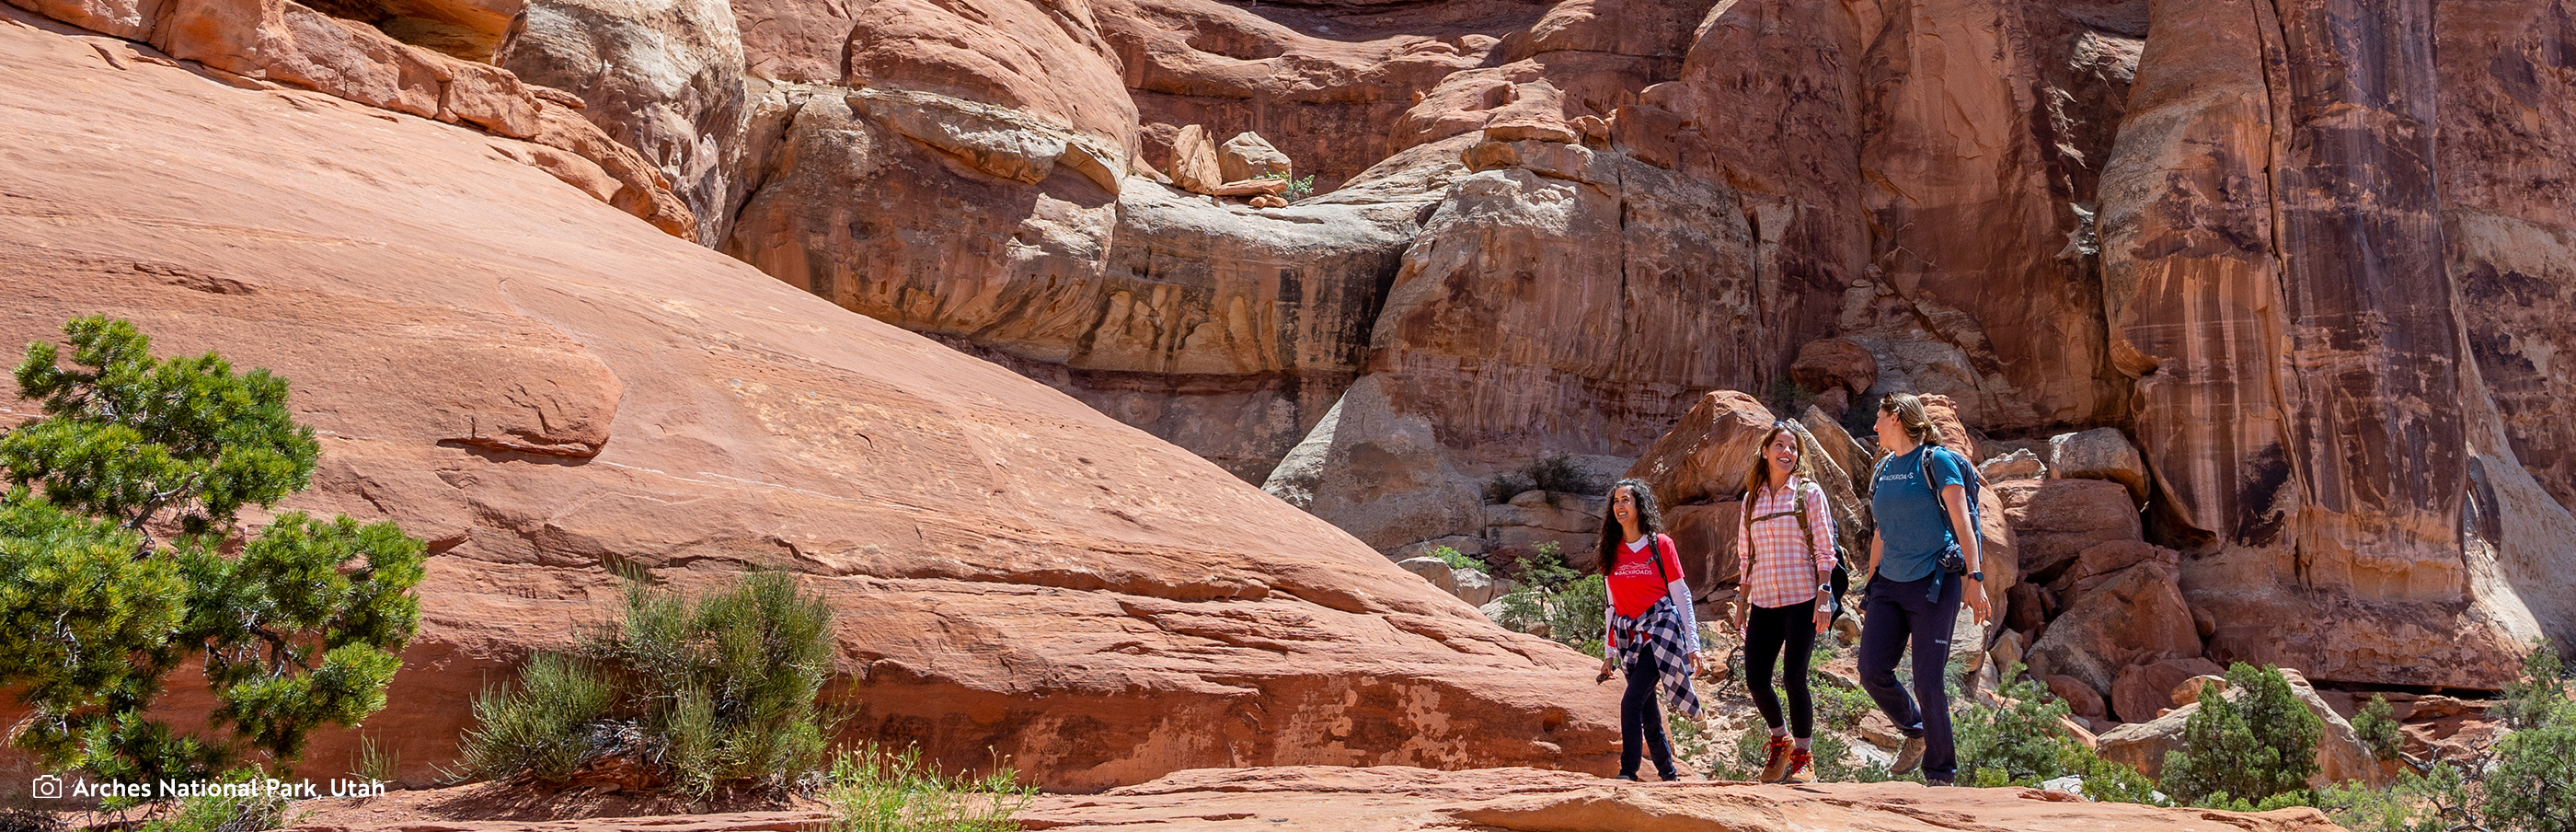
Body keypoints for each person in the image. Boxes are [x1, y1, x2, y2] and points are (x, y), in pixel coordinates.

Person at [1857, 393, 1993, 786]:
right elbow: (1881, 530)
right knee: (1871, 670)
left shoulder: (1937, 461)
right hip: (1890, 584)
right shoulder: (1883, 469)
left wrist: (1975, 577)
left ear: (1896, 418)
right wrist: (1870, 584)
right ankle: (1915, 729)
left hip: (1934, 583)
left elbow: (1963, 521)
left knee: (1928, 681)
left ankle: (1940, 774)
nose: (1874, 426)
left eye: (1879, 418)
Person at [1731, 422, 1836, 783]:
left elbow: (1825, 548)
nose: (1786, 452)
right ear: (1765, 451)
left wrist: (1824, 595)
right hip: (1763, 599)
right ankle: (1780, 740)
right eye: (1780, 446)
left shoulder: (1808, 494)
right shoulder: (1751, 500)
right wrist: (1742, 604)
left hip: (1802, 597)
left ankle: (1804, 757)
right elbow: (1747, 557)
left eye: (1793, 448)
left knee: (1794, 678)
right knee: (1757, 679)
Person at [1593, 478, 1703, 781]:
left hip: (1661, 631)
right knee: (1648, 712)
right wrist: (1609, 653)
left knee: (1630, 702)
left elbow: (1681, 594)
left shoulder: (1660, 544)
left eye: (1626, 500)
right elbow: (1611, 607)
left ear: (1639, 505)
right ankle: (1669, 775)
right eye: (1616, 501)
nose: (1619, 506)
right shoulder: (1610, 551)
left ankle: (1628, 771)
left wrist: (1693, 644)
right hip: (1629, 637)